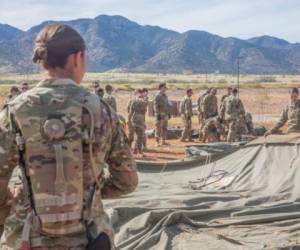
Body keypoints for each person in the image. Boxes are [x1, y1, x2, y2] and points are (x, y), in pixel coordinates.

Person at [0, 24, 138, 250]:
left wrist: (20, 201)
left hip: (27, 237)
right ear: (77, 58)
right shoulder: (101, 111)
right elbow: (127, 181)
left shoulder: (14, 111)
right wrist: (87, 192)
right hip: (89, 237)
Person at [128, 89, 147, 155]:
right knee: (139, 136)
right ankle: (139, 151)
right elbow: (144, 113)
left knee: (132, 135)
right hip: (140, 120)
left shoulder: (133, 101)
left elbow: (130, 111)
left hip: (134, 119)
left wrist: (129, 120)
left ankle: (131, 149)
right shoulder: (144, 102)